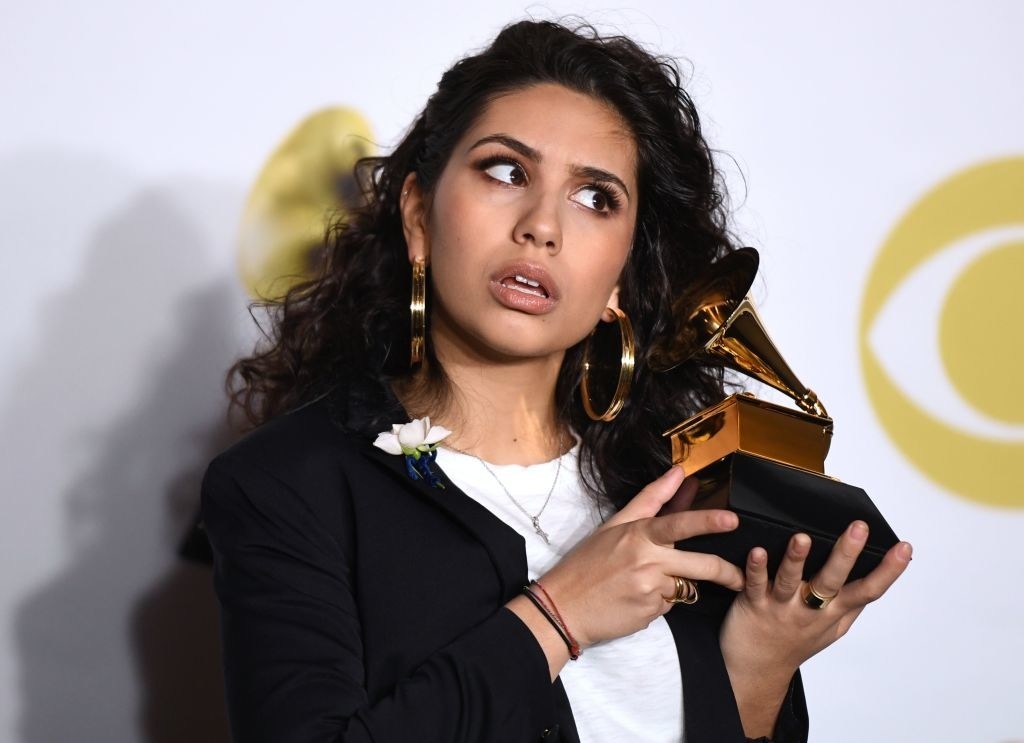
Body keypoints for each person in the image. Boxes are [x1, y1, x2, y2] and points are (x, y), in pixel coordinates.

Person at [201, 19, 912, 743]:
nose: (542, 225)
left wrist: (758, 670)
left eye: (595, 198)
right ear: (418, 216)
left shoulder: (679, 489)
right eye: (507, 171)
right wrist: (558, 615)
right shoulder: (287, 484)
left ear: (622, 276)